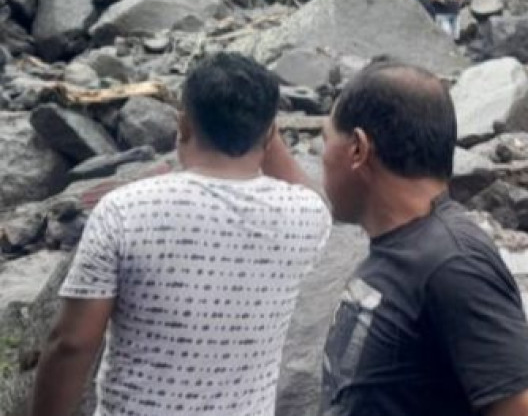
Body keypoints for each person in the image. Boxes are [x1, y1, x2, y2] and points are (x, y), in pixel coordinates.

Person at [29, 53, 331, 416]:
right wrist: (265, 133)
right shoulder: (305, 216)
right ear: (270, 134)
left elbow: (72, 344)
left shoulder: (126, 210)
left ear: (183, 125)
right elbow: (314, 196)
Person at [262, 60, 528, 415]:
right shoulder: (408, 245)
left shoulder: (453, 263)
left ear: (358, 148)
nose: (321, 156)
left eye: (325, 140)